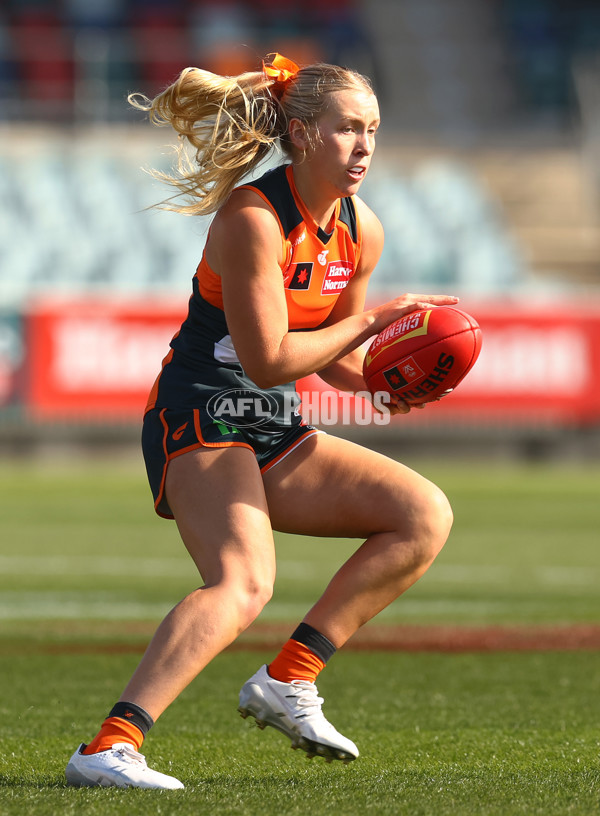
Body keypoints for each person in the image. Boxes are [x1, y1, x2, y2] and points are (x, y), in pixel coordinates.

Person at [65, 52, 456, 790]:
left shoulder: (358, 229)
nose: (365, 146)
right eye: (347, 129)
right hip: (199, 408)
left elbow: (327, 356)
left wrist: (379, 384)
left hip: (269, 421)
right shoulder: (251, 217)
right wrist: (374, 322)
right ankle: (107, 747)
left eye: (372, 129)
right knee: (243, 583)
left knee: (422, 515)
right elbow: (272, 356)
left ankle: (289, 679)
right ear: (303, 134)